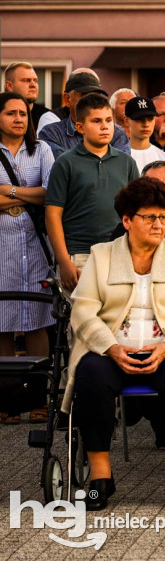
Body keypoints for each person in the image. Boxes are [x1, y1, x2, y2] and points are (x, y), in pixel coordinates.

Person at [68, 177, 165, 511]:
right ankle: (100, 477)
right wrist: (111, 348)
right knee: (89, 374)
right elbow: (84, 311)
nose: (159, 224)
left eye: (163, 217)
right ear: (128, 221)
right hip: (114, 349)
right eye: (150, 217)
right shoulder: (101, 256)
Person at [45, 93, 139, 291]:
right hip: (78, 256)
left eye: (108, 120)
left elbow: (137, 211)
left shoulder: (127, 162)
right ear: (80, 127)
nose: (105, 126)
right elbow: (53, 215)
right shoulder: (65, 163)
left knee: (119, 320)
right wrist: (64, 261)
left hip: (119, 254)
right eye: (96, 121)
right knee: (81, 321)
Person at [0, 92, 55, 424]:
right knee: (2, 324)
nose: (18, 118)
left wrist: (7, 191)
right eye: (10, 113)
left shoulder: (42, 150)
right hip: (2, 250)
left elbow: (50, 193)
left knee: (38, 321)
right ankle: (7, 403)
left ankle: (39, 400)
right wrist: (27, 194)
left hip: (35, 247)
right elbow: (38, 193)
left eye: (22, 113)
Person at [38, 72, 131, 157]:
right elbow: (64, 167)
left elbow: (121, 168)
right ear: (67, 99)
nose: (91, 102)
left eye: (96, 96)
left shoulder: (117, 133)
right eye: (85, 96)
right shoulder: (52, 133)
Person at [123, 97, 165, 187]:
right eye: (140, 119)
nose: (146, 124)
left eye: (150, 119)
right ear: (126, 121)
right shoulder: (117, 158)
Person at [3, 62, 46, 130]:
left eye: (35, 81)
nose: (33, 85)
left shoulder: (48, 118)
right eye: (27, 80)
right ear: (9, 86)